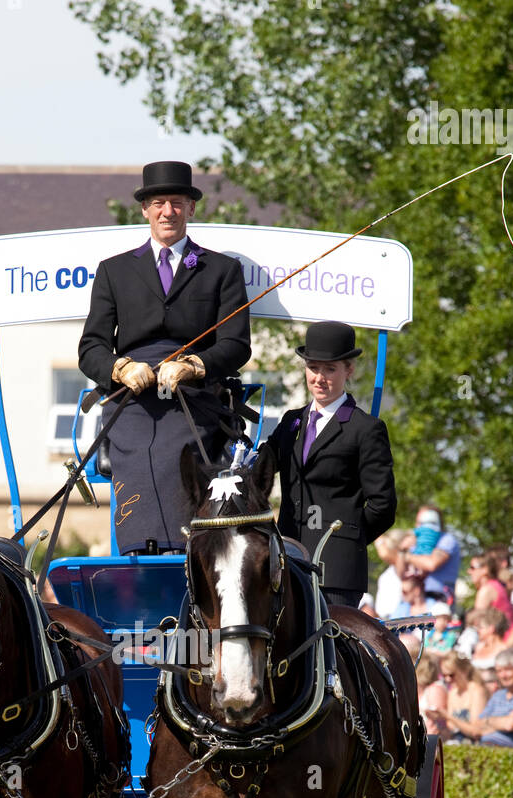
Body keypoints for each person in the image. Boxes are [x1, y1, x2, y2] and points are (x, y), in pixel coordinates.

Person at [78, 161, 251, 554]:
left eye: (176, 202)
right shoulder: (114, 271)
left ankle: (189, 549)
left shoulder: (222, 270)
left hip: (196, 400)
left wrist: (194, 366)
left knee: (182, 460)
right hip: (132, 400)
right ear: (145, 210)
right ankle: (137, 551)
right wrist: (120, 368)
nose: (167, 211)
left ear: (191, 208)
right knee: (138, 457)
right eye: (158, 203)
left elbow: (237, 344)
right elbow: (91, 349)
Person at [266, 320, 396, 608]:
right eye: (313, 368)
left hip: (336, 574)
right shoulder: (291, 422)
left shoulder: (365, 429)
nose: (319, 378)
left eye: (330, 369)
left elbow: (383, 506)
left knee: (330, 650)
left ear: (348, 370)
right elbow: (261, 470)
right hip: (286, 563)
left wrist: (348, 538)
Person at [450, 649, 513, 748]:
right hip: (483, 746)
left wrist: (489, 722)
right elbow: (477, 725)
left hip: (509, 750)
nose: (503, 675)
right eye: (499, 671)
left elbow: (511, 725)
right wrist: (503, 720)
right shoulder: (498, 695)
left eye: (508, 670)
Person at [394, 504, 461, 604]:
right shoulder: (415, 543)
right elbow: (401, 574)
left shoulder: (447, 540)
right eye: (419, 521)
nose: (419, 526)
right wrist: (402, 550)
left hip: (438, 601)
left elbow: (431, 564)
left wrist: (408, 557)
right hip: (413, 603)